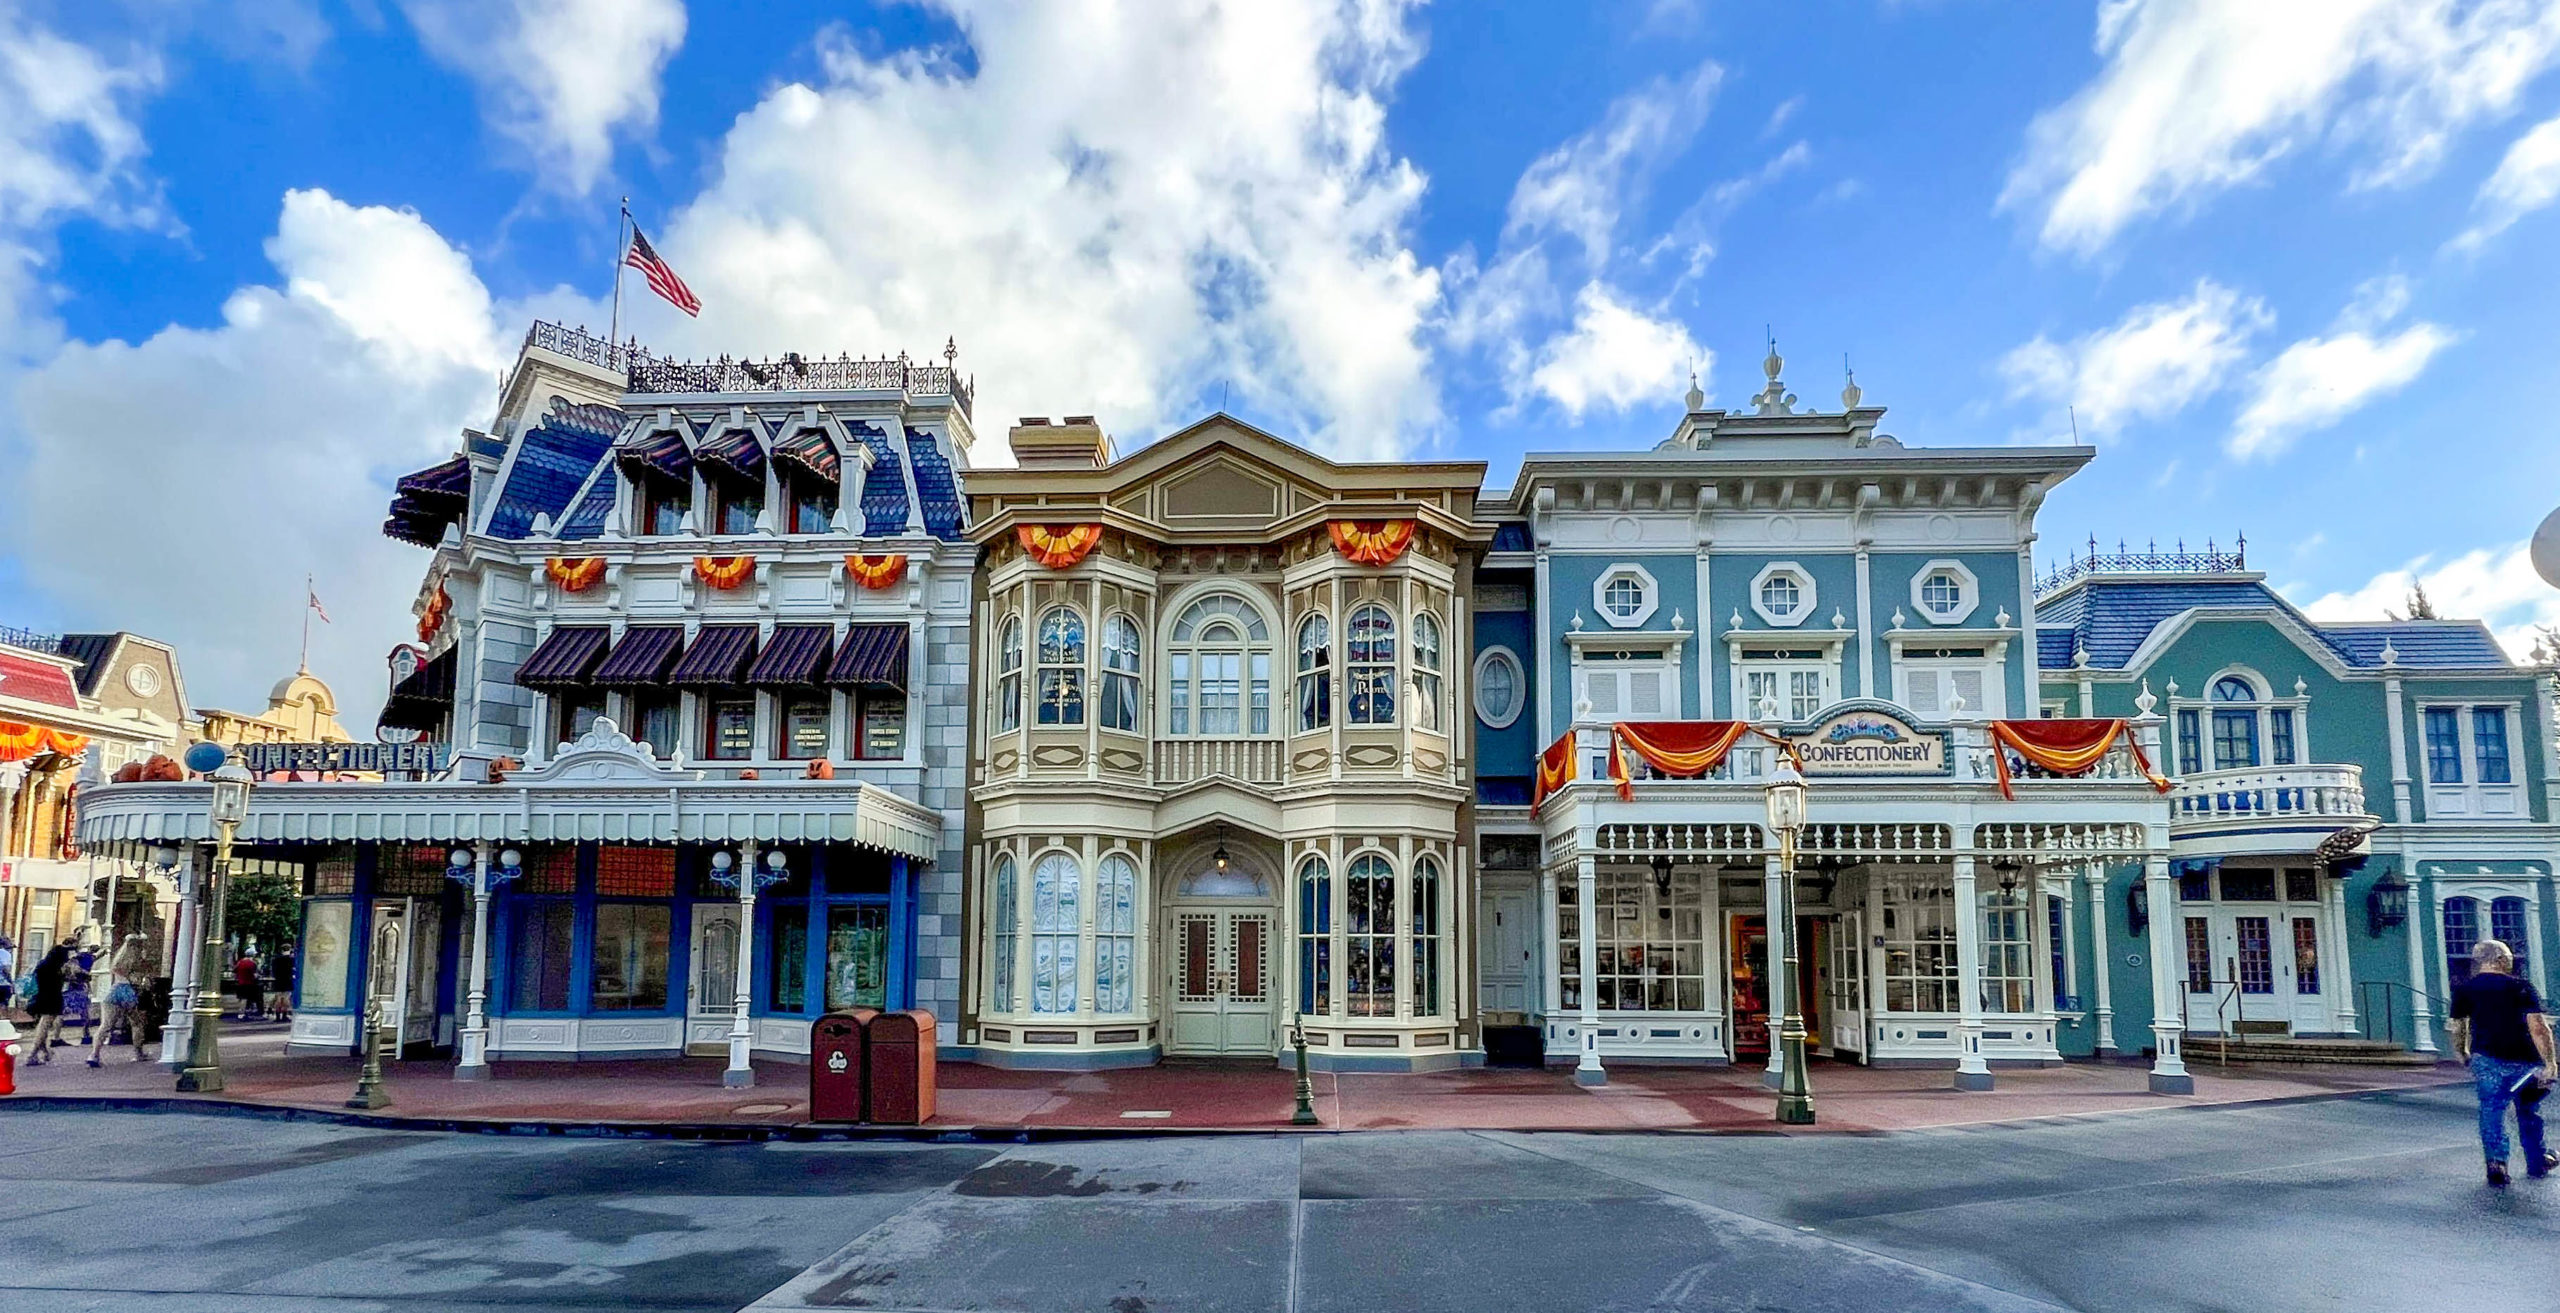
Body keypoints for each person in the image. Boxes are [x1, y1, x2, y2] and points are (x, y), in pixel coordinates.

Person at [2448, 938, 2560, 1186]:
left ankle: (2497, 1162)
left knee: (2492, 1109)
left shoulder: (2465, 989)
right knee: (2529, 1111)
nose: (2511, 961)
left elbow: (2459, 1026)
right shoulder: (2520, 987)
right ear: (2499, 959)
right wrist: (2550, 1062)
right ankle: (2537, 1160)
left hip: (2486, 1058)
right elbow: (2538, 1027)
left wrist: (2462, 1051)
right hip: (2525, 1062)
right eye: (2508, 957)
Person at [90, 934, 157, 1065]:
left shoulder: (118, 960)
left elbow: (117, 972)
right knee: (136, 1023)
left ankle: (94, 1054)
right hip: (128, 992)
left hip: (114, 991)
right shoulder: (138, 961)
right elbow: (140, 979)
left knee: (105, 1025)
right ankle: (139, 1053)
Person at [25, 944, 71, 1062]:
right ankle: (32, 1054)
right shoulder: (57, 968)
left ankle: (45, 1052)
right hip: (53, 997)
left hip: (40, 996)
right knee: (44, 1026)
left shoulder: (42, 964)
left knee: (43, 1024)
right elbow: (64, 980)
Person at [234, 949, 264, 1020]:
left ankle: (241, 1013)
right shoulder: (252, 963)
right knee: (248, 999)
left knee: (242, 999)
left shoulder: (240, 962)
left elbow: (235, 971)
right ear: (253, 955)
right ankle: (244, 1013)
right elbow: (255, 975)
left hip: (240, 983)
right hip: (249, 983)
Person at [268, 948, 296, 1023]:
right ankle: (284, 1015)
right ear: (289, 950)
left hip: (278, 981)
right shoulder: (291, 959)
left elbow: (273, 970)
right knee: (286, 999)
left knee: (278, 998)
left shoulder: (276, 959)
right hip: (287, 980)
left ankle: (277, 1016)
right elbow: (293, 969)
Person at [0, 935, 15, 1012]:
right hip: (3, 984)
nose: (11, 950)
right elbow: (5, 970)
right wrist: (11, 983)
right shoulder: (4, 953)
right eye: (10, 948)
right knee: (2, 1006)